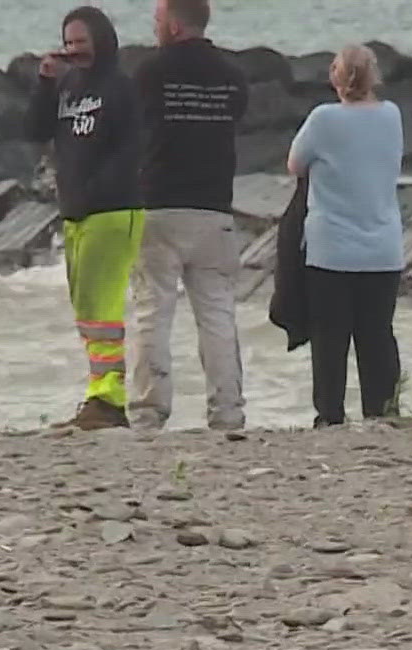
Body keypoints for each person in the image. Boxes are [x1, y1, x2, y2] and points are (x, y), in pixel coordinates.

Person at [130, 0, 251, 431]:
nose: (155, 25)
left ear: (176, 26)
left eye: (159, 19)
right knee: (217, 312)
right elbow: (234, 120)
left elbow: (137, 127)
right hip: (213, 203)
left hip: (159, 201)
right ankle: (227, 409)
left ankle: (148, 411)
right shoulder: (232, 77)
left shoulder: (149, 72)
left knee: (152, 311)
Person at [25, 6, 146, 432]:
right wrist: (44, 84)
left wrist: (96, 190)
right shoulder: (69, 85)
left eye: (82, 42)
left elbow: (131, 149)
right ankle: (100, 393)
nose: (75, 50)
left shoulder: (121, 87)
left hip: (113, 210)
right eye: (69, 42)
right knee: (86, 310)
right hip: (75, 210)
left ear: (102, 41)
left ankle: (109, 401)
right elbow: (35, 130)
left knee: (102, 308)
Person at [287, 44, 406, 427]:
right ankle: (382, 411)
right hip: (383, 247)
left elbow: (295, 164)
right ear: (374, 77)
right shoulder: (391, 115)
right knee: (377, 337)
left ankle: (330, 415)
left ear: (335, 78)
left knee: (330, 339)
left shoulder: (323, 119)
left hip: (331, 247)